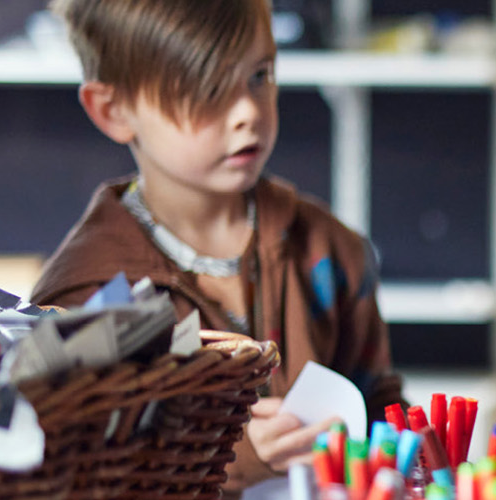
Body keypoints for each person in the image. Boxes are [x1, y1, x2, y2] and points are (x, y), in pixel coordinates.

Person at [30, 0, 406, 492]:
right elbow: (77, 476)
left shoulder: (330, 250)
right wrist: (230, 456)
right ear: (114, 109)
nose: (248, 111)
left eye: (260, 74)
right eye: (206, 89)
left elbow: (384, 414)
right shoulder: (80, 301)